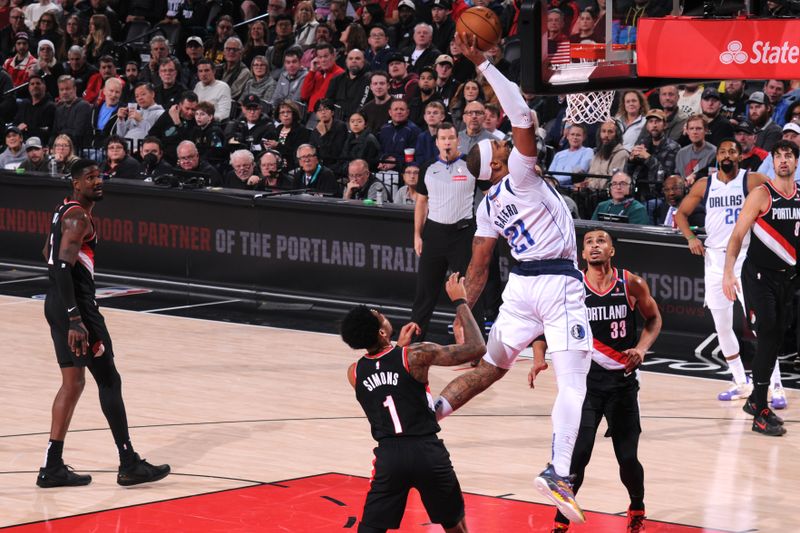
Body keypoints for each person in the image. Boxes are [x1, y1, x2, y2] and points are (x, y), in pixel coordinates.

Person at [432, 34, 591, 525]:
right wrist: (483, 65)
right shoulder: (519, 174)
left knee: (490, 369)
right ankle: (558, 471)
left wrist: (463, 309)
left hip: (520, 290)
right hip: (557, 283)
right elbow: (521, 115)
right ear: (500, 163)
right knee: (575, 384)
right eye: (499, 146)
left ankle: (431, 411)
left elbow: (479, 268)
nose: (504, 139)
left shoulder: (486, 205)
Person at [37, 158, 171, 488]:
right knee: (109, 379)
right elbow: (64, 266)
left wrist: (64, 308)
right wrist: (75, 317)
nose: (98, 182)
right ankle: (128, 463)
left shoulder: (63, 210)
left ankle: (51, 466)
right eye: (90, 178)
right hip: (77, 309)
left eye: (100, 176)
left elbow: (47, 253)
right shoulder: (79, 217)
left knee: (74, 383)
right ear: (76, 184)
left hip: (56, 303)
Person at [536, 229, 661, 533]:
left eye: (601, 241)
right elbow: (545, 326)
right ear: (582, 254)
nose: (594, 246)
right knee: (578, 457)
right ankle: (560, 523)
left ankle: (636, 508)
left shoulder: (630, 283)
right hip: (587, 386)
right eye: (589, 242)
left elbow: (654, 319)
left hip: (622, 385)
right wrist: (539, 357)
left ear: (611, 251)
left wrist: (641, 349)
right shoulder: (573, 286)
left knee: (628, 459)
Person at [341, 273, 483, 533]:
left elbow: (386, 378)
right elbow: (476, 348)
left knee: (370, 529)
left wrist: (396, 346)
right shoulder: (415, 355)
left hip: (389, 456)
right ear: (383, 332)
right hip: (427, 451)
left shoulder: (354, 372)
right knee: (454, 525)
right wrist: (461, 301)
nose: (382, 314)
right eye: (379, 315)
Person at [675, 139, 785, 408]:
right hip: (714, 258)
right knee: (722, 325)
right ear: (718, 157)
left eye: (731, 151)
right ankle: (740, 381)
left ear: (740, 155)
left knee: (762, 326)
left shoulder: (752, 180)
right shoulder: (705, 184)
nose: (726, 155)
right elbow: (680, 214)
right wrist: (691, 237)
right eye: (722, 151)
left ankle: (776, 385)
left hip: (746, 258)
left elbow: (781, 197)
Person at [722, 139, 800, 436]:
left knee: (776, 337)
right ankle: (760, 409)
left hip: (786, 278)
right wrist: (728, 273)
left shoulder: (799, 195)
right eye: (778, 156)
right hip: (757, 276)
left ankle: (756, 402)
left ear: (795, 162)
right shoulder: (761, 194)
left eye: (788, 156)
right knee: (767, 333)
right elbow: (737, 234)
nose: (782, 160)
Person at [411, 122, 483, 341]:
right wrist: (417, 234)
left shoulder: (471, 165)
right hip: (434, 233)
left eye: (451, 138)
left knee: (469, 292)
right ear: (437, 142)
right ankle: (414, 344)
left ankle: (475, 344)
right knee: (425, 291)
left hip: (463, 234)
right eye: (443, 138)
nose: (447, 142)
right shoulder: (428, 167)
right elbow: (421, 202)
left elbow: (491, 193)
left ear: (458, 140)